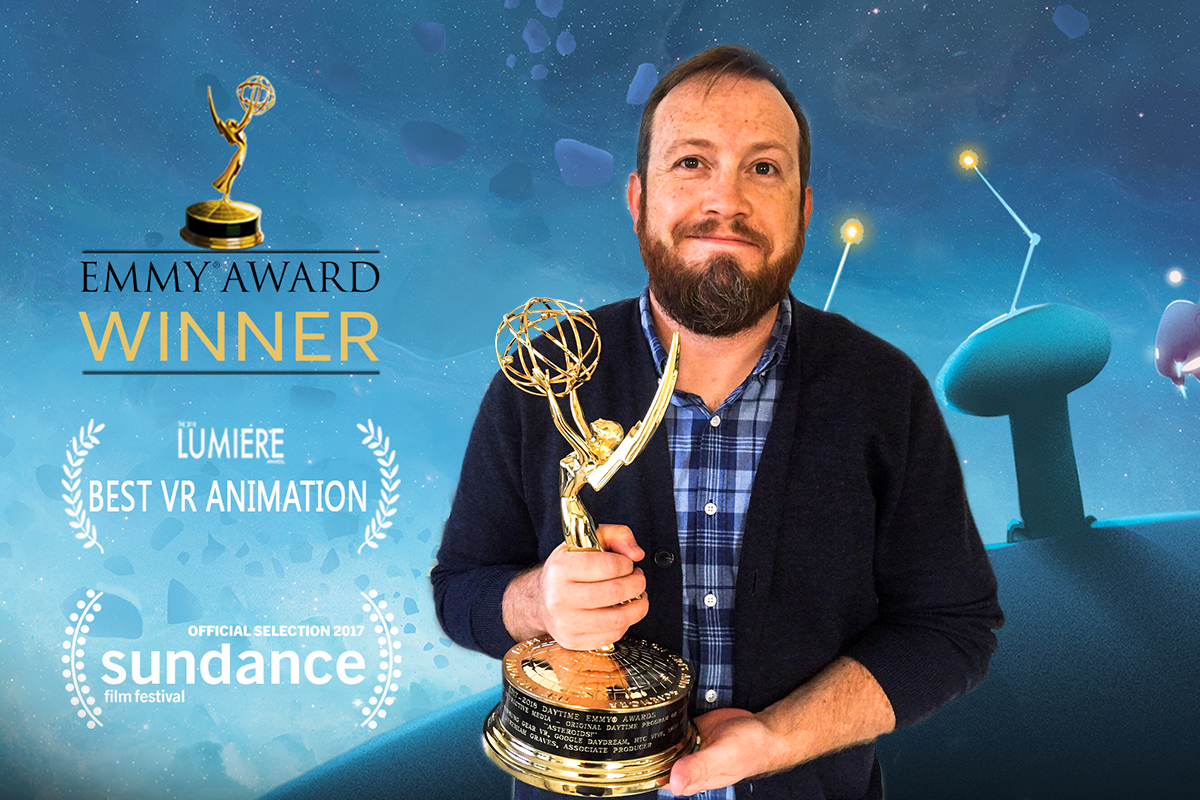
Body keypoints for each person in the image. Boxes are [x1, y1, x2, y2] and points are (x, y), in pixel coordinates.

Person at [432, 45, 1004, 800]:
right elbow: (460, 591)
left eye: (763, 168)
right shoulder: (542, 374)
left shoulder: (883, 392)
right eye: (691, 162)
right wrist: (539, 602)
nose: (725, 200)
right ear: (638, 200)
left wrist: (776, 740)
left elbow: (951, 629)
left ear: (802, 208)